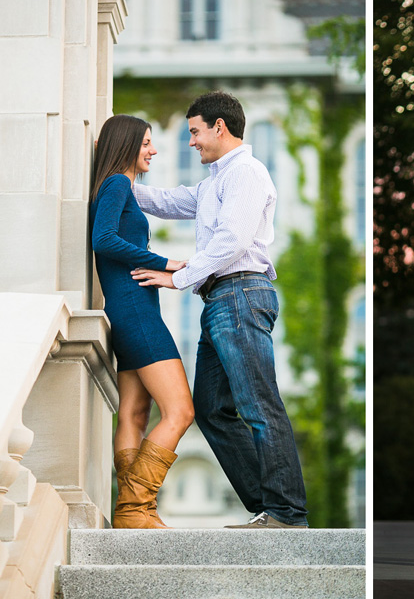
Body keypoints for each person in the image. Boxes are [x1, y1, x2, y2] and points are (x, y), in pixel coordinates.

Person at [130, 91, 309, 528]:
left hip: (242, 294)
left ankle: (286, 513)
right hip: (220, 302)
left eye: (194, 132)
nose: (190, 141)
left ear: (219, 127)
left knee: (259, 404)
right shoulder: (214, 182)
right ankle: (269, 507)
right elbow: (171, 202)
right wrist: (117, 183)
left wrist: (178, 276)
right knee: (211, 410)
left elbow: (233, 241)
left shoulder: (246, 172)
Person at [89, 114, 195, 530]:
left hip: (130, 308)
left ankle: (135, 513)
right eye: (147, 142)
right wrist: (165, 262)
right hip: (135, 310)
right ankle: (135, 508)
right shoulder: (117, 183)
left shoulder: (119, 185)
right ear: (126, 144)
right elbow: (104, 239)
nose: (153, 149)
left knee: (134, 413)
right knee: (180, 411)